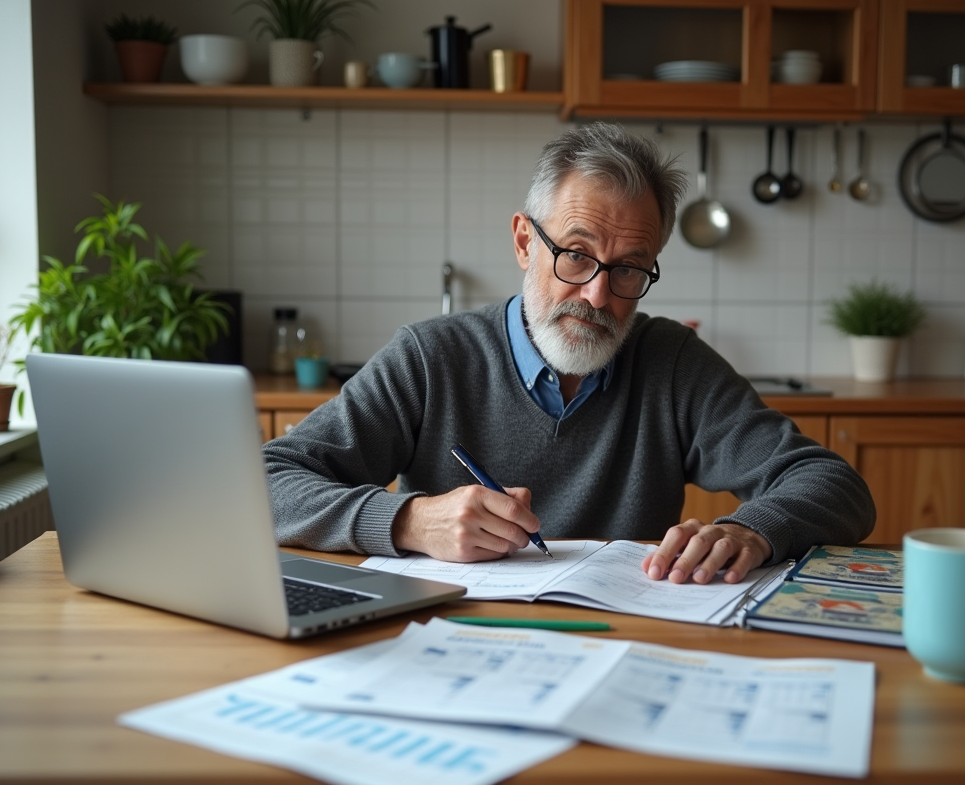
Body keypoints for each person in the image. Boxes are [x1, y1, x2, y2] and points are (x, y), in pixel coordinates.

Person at [264, 122, 875, 585]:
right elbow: (266, 481)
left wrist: (754, 529)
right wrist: (408, 522)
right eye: (576, 255)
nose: (598, 294)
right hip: (450, 636)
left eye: (629, 269)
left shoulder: (672, 362)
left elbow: (834, 485)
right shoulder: (430, 357)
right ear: (525, 242)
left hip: (626, 638)